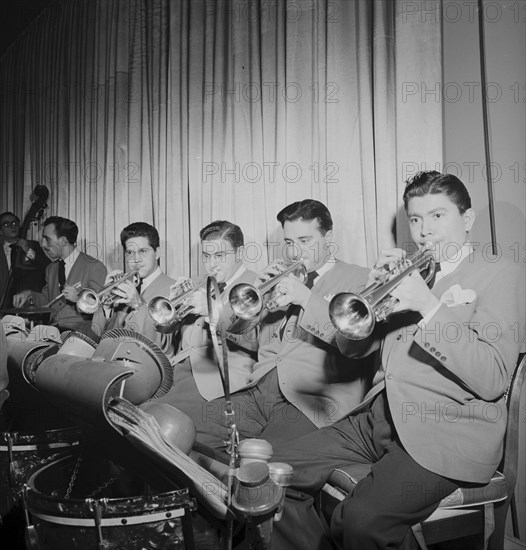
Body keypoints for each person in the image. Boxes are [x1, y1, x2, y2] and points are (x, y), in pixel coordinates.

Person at [270, 171, 526, 550]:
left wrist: (428, 305)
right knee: (275, 472)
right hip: (379, 417)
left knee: (361, 522)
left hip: (446, 433)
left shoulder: (502, 274)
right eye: (417, 219)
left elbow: (491, 377)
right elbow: (353, 349)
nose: (425, 231)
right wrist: (370, 297)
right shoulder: (410, 275)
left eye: (438, 216)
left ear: (467, 220)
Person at [179, 200, 372, 461]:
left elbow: (355, 345)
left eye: (305, 241)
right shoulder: (281, 279)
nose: (295, 253)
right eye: (290, 243)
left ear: (329, 237)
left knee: (262, 462)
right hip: (259, 390)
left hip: (311, 400)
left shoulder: (359, 278)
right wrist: (256, 299)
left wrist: (305, 298)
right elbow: (246, 341)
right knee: (185, 432)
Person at [152, 220, 260, 410]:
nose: (211, 265)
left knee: (154, 414)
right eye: (206, 256)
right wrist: (171, 309)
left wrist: (212, 311)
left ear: (240, 253)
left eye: (219, 256)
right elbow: (166, 336)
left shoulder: (254, 286)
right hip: (179, 370)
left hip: (219, 378)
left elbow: (253, 340)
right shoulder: (200, 283)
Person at [91, 222, 176, 359]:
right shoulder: (124, 285)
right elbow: (98, 332)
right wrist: (106, 306)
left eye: (143, 251)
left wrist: (137, 305)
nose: (136, 259)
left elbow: (164, 346)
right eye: (130, 253)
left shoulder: (173, 289)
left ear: (157, 253)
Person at [13, 216, 106, 337]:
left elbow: (102, 308)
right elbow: (47, 300)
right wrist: (29, 294)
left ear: (62, 241)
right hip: (54, 333)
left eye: (47, 239)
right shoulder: (51, 269)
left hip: (82, 336)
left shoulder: (94, 267)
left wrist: (78, 298)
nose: (43, 244)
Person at [0, 211, 49, 308]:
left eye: (15, 223)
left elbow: (48, 268)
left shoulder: (33, 246)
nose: (12, 226)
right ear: (0, 231)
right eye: (6, 224)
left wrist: (28, 250)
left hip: (26, 304)